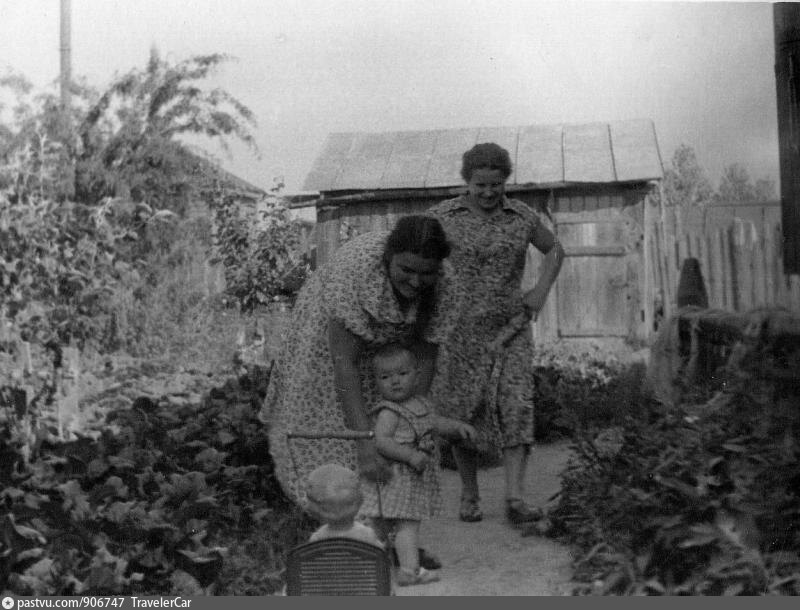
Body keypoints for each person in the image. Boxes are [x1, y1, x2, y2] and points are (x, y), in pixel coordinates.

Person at [261, 215, 456, 569]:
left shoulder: (444, 283)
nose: (416, 281)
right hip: (330, 350)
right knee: (342, 439)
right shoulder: (356, 273)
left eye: (426, 273)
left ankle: (398, 543)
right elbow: (345, 364)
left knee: (399, 448)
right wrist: (365, 442)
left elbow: (426, 356)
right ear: (389, 257)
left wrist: (410, 416)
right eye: (406, 270)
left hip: (391, 354)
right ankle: (344, 541)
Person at [429, 142, 565, 526]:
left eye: (496, 184)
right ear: (467, 182)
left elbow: (555, 250)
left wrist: (540, 290)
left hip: (510, 328)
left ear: (506, 181)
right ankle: (469, 494)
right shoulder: (442, 217)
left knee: (517, 405)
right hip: (459, 331)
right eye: (480, 185)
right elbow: (415, 247)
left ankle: (515, 498)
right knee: (463, 411)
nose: (488, 193)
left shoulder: (521, 216)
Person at [360, 343, 477, 586]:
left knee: (383, 524)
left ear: (416, 376)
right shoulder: (389, 412)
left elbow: (434, 423)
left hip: (409, 479)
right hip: (396, 476)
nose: (395, 381)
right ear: (376, 382)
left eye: (402, 374)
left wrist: (457, 427)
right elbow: (381, 441)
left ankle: (369, 566)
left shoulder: (420, 404)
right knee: (406, 523)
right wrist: (409, 455)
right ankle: (408, 571)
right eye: (385, 377)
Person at [306, 463, 383, 547]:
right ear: (358, 502)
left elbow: (313, 555)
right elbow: (379, 553)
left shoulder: (318, 537)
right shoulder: (366, 534)